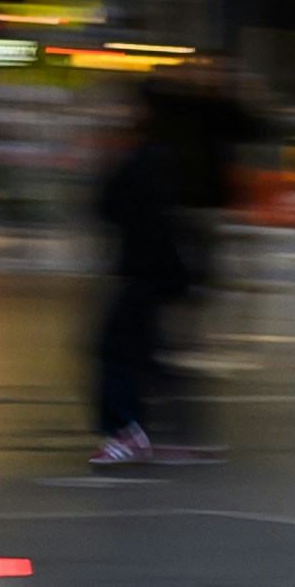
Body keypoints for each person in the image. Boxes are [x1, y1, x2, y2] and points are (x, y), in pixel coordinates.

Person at [87, 89, 210, 466]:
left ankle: (126, 431)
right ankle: (146, 430)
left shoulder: (146, 160)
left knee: (115, 348)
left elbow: (121, 209)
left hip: (144, 272)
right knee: (143, 354)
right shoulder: (154, 157)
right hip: (149, 273)